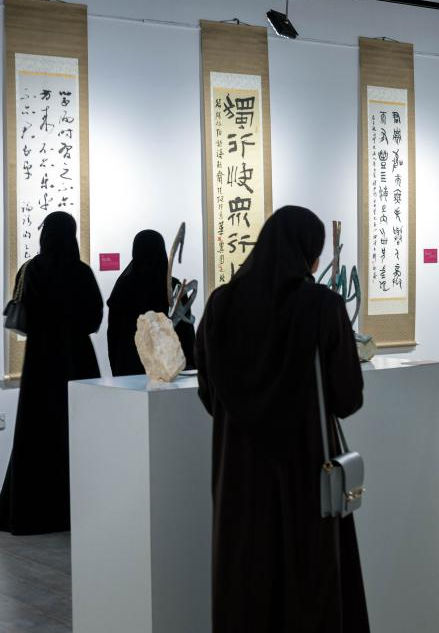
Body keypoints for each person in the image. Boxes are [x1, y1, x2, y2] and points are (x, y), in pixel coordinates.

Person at [195, 206, 369, 633]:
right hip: (305, 470)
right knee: (308, 579)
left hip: (238, 472)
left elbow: (209, 395)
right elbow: (347, 397)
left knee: (245, 578)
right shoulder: (322, 305)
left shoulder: (220, 304)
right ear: (307, 253)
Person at [0, 211, 103, 535]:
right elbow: (94, 318)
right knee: (78, 430)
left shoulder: (32, 269)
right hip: (77, 359)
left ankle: (33, 513)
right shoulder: (81, 272)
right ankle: (81, 510)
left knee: (37, 431)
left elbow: (26, 318)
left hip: (41, 361)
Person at [107, 229, 195, 376]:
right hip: (169, 365)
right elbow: (186, 331)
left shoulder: (124, 286)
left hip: (130, 366)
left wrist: (116, 366)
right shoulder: (173, 286)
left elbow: (113, 332)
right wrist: (191, 362)